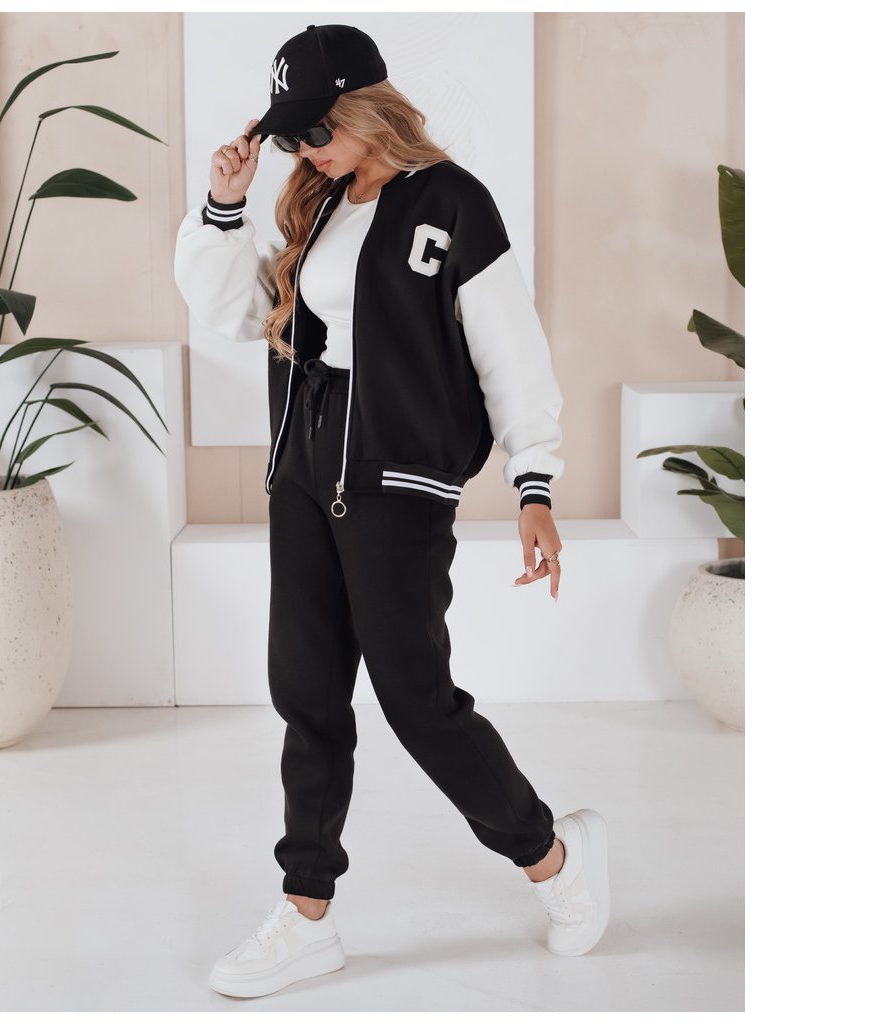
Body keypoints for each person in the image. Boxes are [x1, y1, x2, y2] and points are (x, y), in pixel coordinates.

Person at [174, 23, 610, 999]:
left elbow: (510, 350)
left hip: (396, 480)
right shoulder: (319, 204)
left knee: (416, 700)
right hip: (303, 469)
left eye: (316, 129)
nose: (305, 149)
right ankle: (306, 914)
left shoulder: (451, 202)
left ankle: (553, 858)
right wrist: (224, 205)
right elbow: (235, 314)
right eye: (291, 136)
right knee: (306, 694)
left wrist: (536, 483)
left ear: (367, 108)